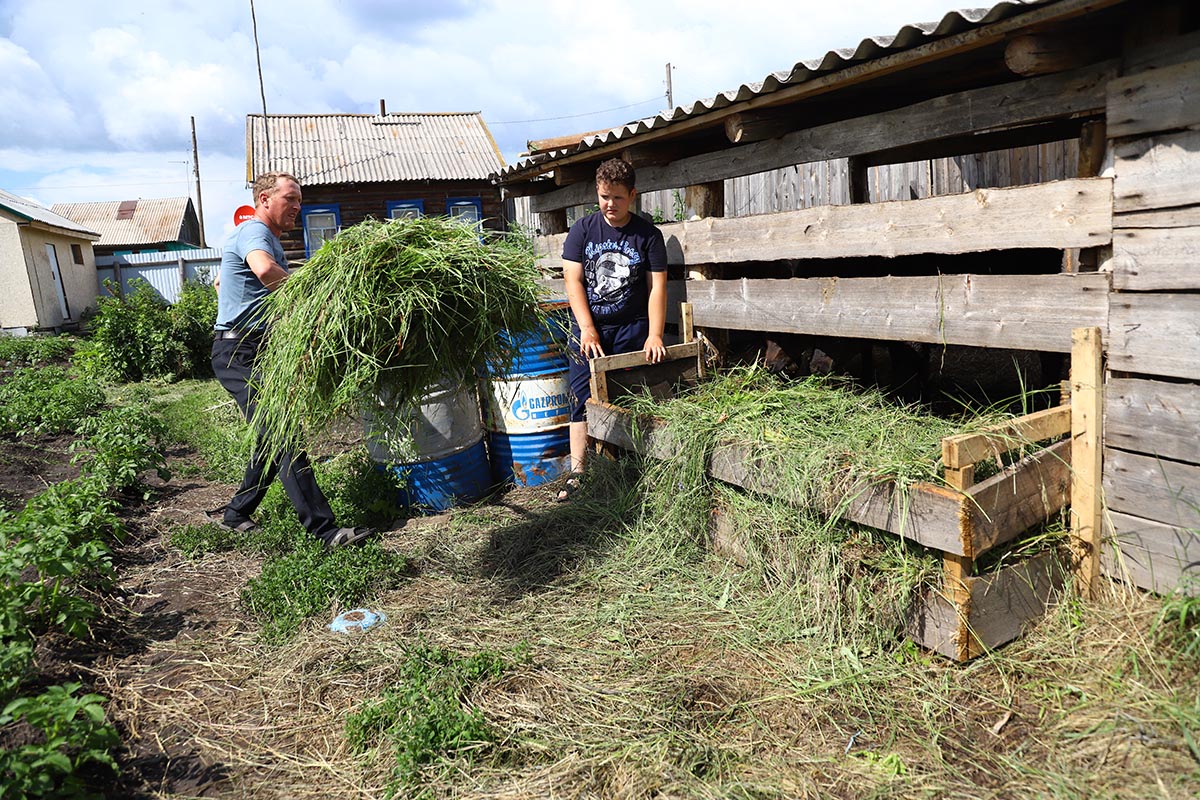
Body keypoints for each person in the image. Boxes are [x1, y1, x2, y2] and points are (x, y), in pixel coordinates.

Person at [210, 171, 371, 548]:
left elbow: (222, 282)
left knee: (269, 437)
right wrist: (312, 300)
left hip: (254, 347)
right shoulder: (255, 232)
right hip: (239, 352)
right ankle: (324, 531)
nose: (298, 207)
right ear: (264, 199)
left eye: (299, 200)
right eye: (290, 199)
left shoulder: (262, 238)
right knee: (282, 435)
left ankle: (235, 514)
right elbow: (264, 271)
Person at [559, 158, 668, 501]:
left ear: (632, 195)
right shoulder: (584, 230)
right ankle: (577, 475)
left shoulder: (648, 236)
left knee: (628, 396)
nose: (609, 204)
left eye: (617, 198)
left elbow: (657, 288)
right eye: (604, 196)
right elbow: (572, 280)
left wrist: (654, 334)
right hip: (589, 330)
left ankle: (627, 469)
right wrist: (587, 329)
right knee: (581, 398)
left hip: (631, 329)